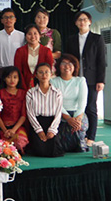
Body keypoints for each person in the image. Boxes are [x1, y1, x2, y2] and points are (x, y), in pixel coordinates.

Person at [66, 11, 106, 146]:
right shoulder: (71, 39)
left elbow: (101, 61)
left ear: (89, 22)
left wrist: (101, 80)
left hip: (92, 79)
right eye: (79, 20)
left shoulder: (97, 38)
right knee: (77, 107)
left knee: (91, 107)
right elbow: (68, 60)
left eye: (84, 19)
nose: (82, 22)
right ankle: (77, 135)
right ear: (76, 23)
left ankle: (91, 137)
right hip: (75, 79)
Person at [50, 54, 88, 152]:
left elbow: (82, 103)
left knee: (80, 126)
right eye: (64, 63)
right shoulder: (53, 82)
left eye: (70, 64)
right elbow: (56, 103)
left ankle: (79, 144)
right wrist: (68, 119)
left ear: (75, 66)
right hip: (60, 114)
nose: (67, 66)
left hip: (77, 114)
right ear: (59, 66)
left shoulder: (80, 81)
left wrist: (77, 119)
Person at [26, 63, 64, 157]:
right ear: (36, 75)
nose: (44, 75)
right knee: (39, 151)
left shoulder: (57, 92)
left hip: (52, 122)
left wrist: (53, 130)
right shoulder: (31, 92)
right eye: (41, 72)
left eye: (47, 72)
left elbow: (59, 113)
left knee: (54, 151)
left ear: (51, 74)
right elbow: (30, 113)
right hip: (37, 123)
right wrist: (38, 130)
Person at [0, 66, 29, 153]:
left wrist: (13, 130)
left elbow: (23, 116)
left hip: (17, 127)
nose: (12, 80)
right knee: (2, 146)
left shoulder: (23, 93)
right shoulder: (0, 93)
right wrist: (5, 130)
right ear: (4, 79)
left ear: (19, 79)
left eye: (15, 77)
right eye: (9, 77)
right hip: (3, 127)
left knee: (20, 142)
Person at [14, 24, 53, 90]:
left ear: (39, 35)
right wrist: (23, 87)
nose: (32, 37)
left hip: (42, 85)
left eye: (35, 33)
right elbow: (18, 71)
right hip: (24, 86)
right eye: (29, 34)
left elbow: (48, 70)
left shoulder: (46, 51)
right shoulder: (20, 51)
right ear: (25, 36)